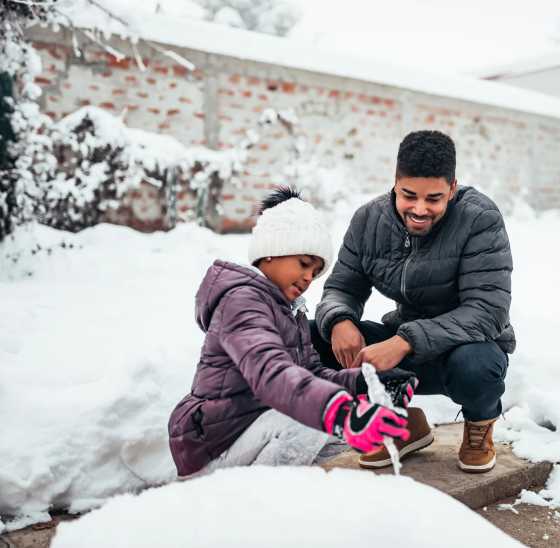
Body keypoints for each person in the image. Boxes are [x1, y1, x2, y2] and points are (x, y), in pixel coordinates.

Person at [168, 187, 418, 478]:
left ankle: (282, 498)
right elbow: (270, 374)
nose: (308, 278)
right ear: (271, 252)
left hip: (253, 431)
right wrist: (340, 412)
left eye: (315, 271)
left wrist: (364, 382)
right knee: (315, 420)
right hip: (215, 444)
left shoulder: (291, 311)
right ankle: (248, 507)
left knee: (335, 429)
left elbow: (312, 374)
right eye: (303, 264)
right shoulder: (241, 301)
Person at [312, 130, 515, 473]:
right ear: (394, 183)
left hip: (464, 352)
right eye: (409, 195)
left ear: (452, 188)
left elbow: (487, 311)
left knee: (477, 367)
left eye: (434, 198)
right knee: (306, 338)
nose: (420, 209)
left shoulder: (480, 219)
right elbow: (341, 287)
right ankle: (401, 424)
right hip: (403, 352)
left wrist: (406, 341)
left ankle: (479, 428)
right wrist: (339, 320)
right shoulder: (369, 220)